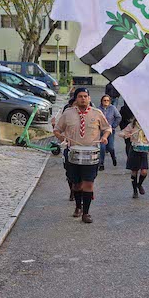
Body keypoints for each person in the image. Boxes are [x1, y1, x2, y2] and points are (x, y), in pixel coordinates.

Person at [52, 87, 111, 223]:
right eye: (80, 96)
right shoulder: (68, 113)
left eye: (85, 96)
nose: (83, 99)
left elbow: (107, 128)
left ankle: (86, 213)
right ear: (76, 98)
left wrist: (105, 137)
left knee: (88, 184)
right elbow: (57, 130)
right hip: (73, 153)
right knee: (76, 184)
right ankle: (78, 206)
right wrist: (63, 139)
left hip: (91, 154)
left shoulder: (97, 113)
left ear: (89, 98)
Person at [121, 119, 149, 198]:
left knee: (144, 171)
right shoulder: (132, 125)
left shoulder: (148, 125)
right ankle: (135, 191)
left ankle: (139, 184)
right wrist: (125, 135)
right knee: (134, 171)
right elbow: (122, 133)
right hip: (134, 150)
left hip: (144, 150)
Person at [97, 95, 121, 171]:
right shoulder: (98, 109)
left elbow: (118, 117)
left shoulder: (113, 108)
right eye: (104, 100)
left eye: (107, 100)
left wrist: (114, 126)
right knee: (102, 148)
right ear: (102, 101)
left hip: (110, 130)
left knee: (110, 147)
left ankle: (113, 157)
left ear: (110, 101)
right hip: (101, 131)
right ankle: (101, 164)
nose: (106, 102)